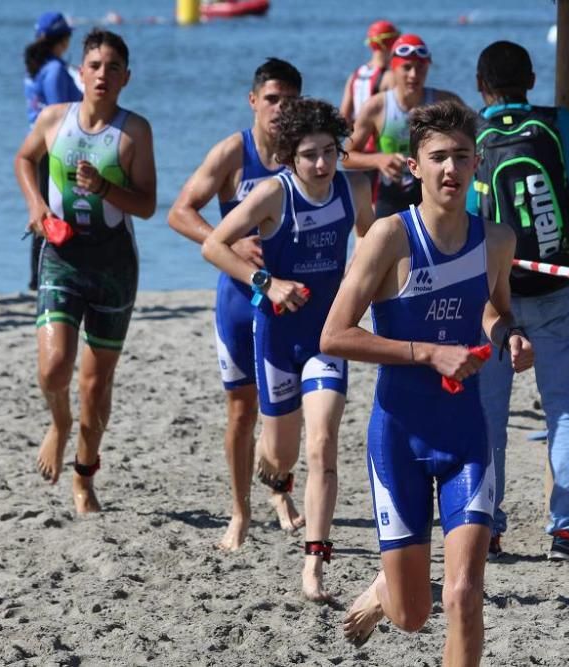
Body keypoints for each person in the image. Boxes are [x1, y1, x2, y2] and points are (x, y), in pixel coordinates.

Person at [321, 100, 531, 662]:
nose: (451, 169)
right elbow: (334, 336)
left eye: (462, 157)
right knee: (413, 616)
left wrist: (509, 334)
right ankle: (386, 588)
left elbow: (492, 305)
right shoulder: (390, 237)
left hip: (466, 435)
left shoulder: (498, 241)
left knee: (464, 594)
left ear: (477, 163)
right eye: (438, 157)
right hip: (399, 438)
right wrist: (427, 352)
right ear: (414, 166)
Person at [202, 97, 374, 601]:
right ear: (289, 158)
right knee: (281, 456)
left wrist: (360, 287)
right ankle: (269, 468)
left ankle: (314, 564)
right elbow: (213, 245)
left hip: (326, 337)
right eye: (309, 156)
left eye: (328, 152)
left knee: (322, 443)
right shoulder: (273, 196)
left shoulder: (354, 187)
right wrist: (266, 281)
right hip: (277, 336)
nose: (321, 165)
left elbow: (368, 237)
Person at [470, 41, 569, 563]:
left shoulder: (474, 139)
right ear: (531, 80)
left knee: (488, 415)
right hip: (557, 285)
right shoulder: (562, 124)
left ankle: (485, 526)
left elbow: (467, 219)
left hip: (494, 294)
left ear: (481, 85)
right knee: (567, 410)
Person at [13, 29, 156, 514]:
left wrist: (104, 189)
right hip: (62, 254)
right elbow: (23, 157)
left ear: (127, 78)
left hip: (114, 262)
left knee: (96, 386)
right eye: (95, 65)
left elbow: (148, 204)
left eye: (113, 67)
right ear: (80, 72)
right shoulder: (55, 119)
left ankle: (84, 475)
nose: (103, 74)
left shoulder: (134, 131)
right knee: (53, 369)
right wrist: (35, 204)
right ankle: (58, 422)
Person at [167, 58, 302, 551]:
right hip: (237, 298)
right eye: (272, 99)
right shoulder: (233, 153)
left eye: (290, 101)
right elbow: (180, 213)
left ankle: (281, 491)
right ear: (254, 101)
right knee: (242, 412)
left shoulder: (303, 159)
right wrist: (231, 242)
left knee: (288, 410)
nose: (280, 109)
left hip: (288, 300)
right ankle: (241, 512)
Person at [342, 33, 462, 218]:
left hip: (433, 197)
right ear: (393, 69)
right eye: (407, 68)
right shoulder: (377, 107)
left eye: (420, 68)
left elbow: (475, 142)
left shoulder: (445, 102)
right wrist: (379, 160)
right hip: (390, 198)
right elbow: (346, 157)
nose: (414, 75)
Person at [23, 11, 83, 292]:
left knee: (45, 208)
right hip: (54, 147)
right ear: (64, 39)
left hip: (38, 146)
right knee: (54, 210)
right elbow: (61, 113)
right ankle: (43, 275)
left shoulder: (38, 67)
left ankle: (39, 275)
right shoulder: (55, 70)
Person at [339, 20, 398, 130]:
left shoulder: (355, 75)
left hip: (358, 141)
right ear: (392, 43)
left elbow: (344, 117)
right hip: (380, 143)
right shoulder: (391, 77)